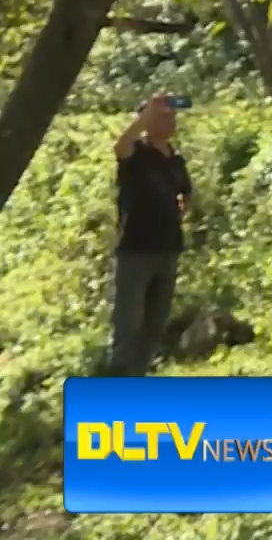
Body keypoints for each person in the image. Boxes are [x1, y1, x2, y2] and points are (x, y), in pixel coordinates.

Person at [110, 94, 192, 377]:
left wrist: (181, 208)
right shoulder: (137, 154)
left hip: (168, 250)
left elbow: (186, 192)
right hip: (135, 250)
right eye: (162, 116)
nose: (169, 121)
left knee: (155, 323)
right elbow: (120, 147)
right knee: (128, 323)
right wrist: (143, 118)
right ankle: (119, 381)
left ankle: (139, 378)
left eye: (171, 116)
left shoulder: (176, 159)